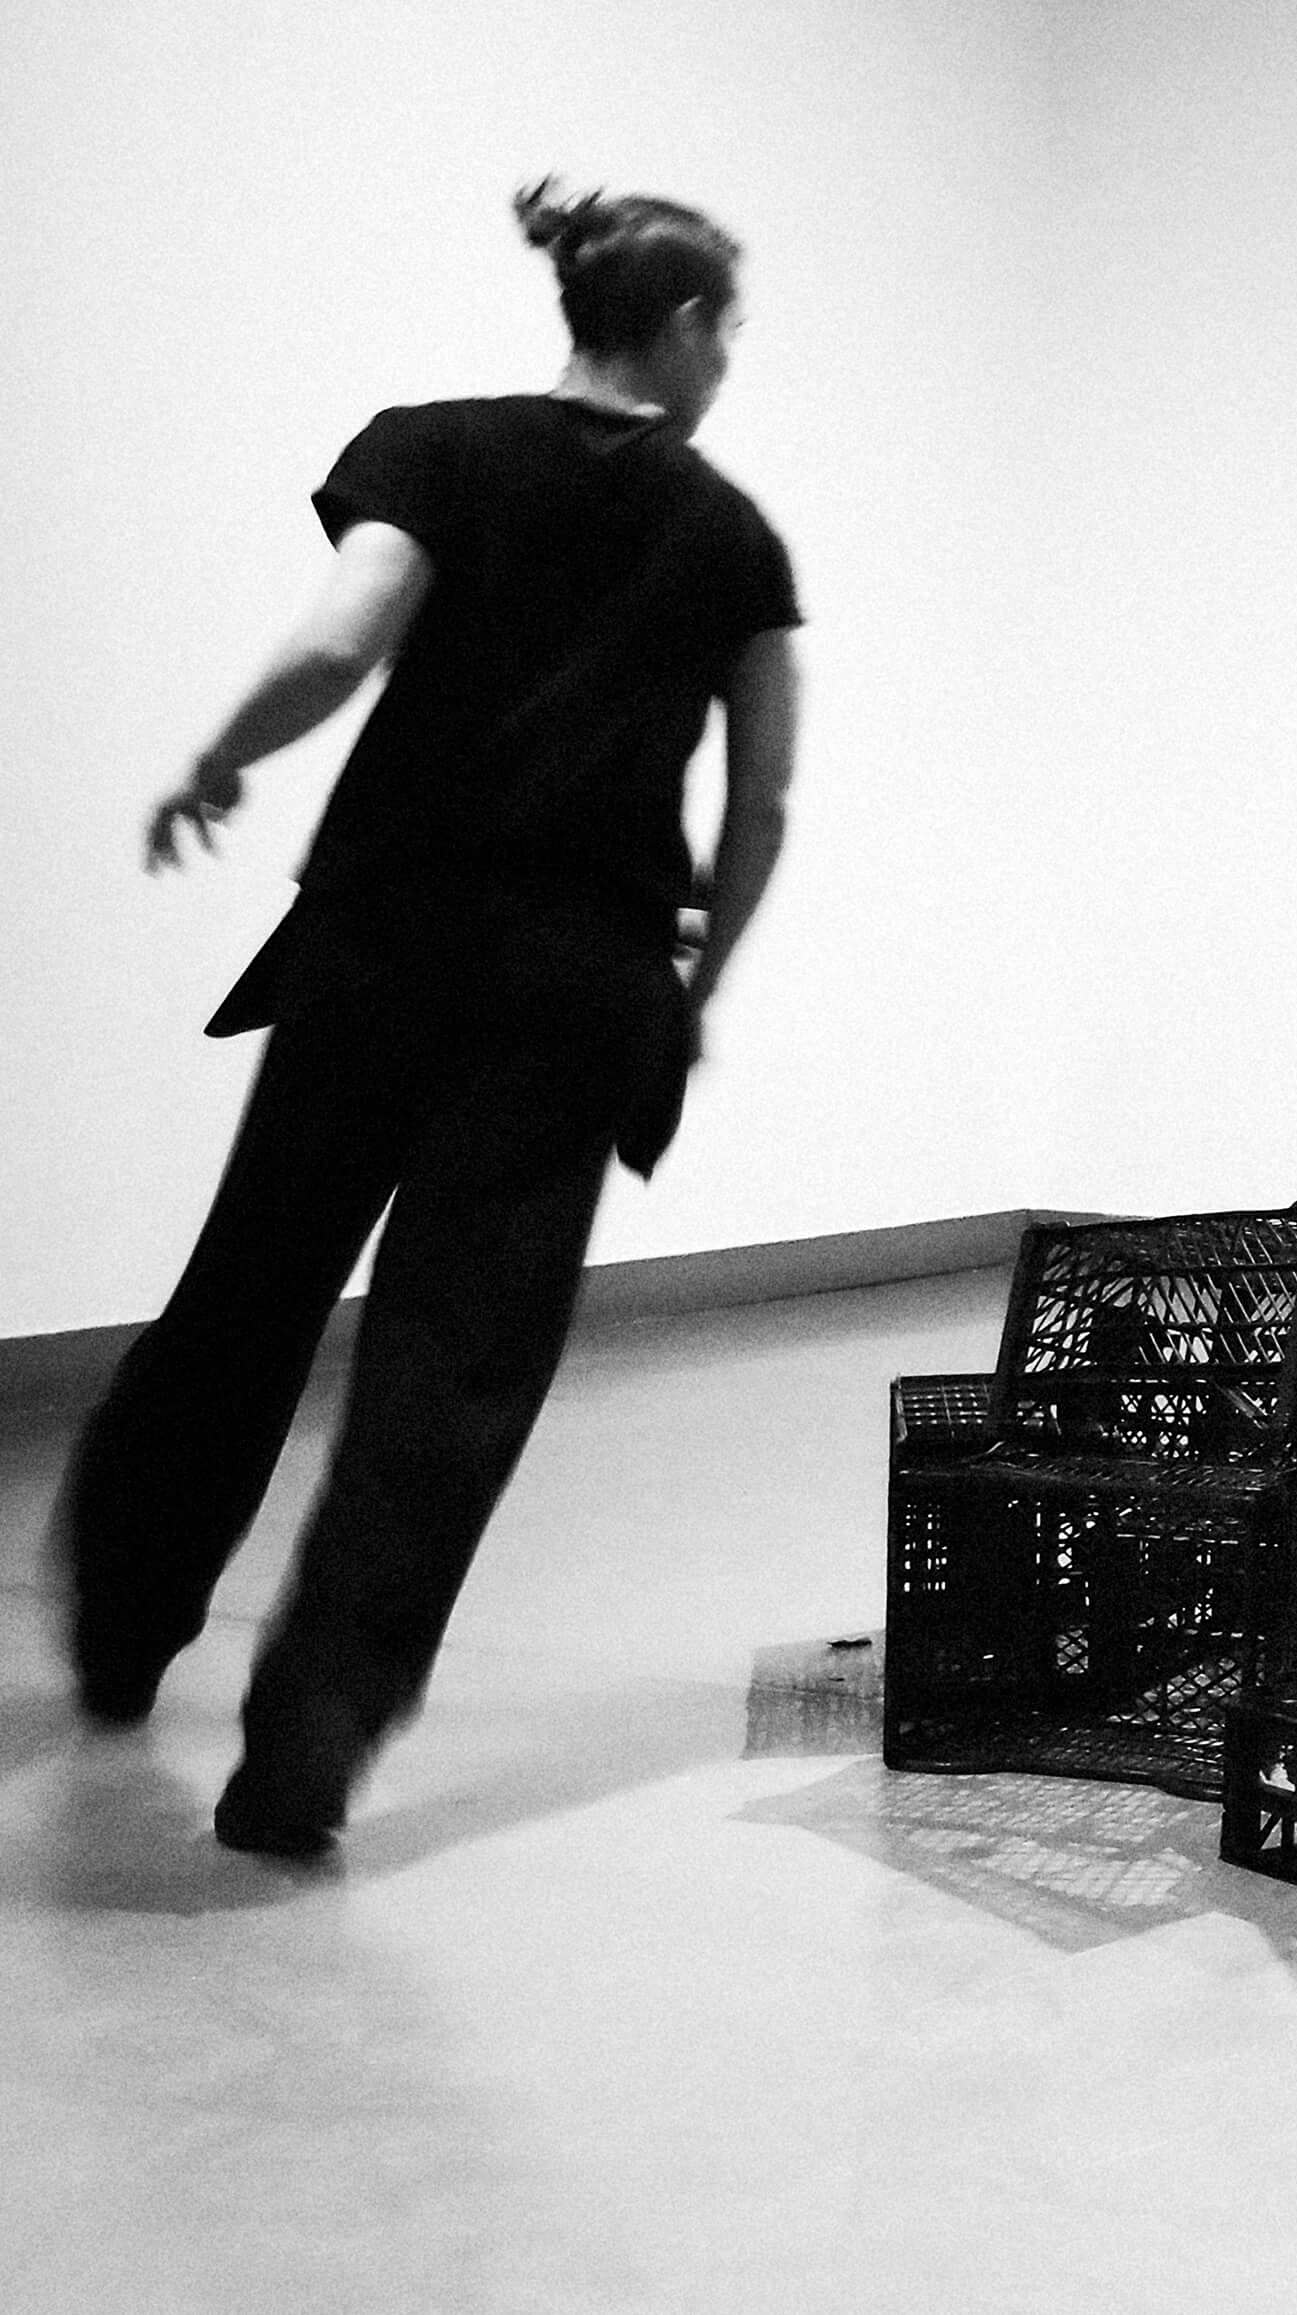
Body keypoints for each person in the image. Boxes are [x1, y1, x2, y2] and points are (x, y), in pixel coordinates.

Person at [57, 180, 802, 1861]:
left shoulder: (436, 450)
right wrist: (697, 986)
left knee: (248, 1292)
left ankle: (123, 1624)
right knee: (450, 1369)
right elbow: (760, 810)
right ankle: (314, 1733)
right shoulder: (734, 537)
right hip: (572, 992)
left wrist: (218, 761)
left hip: (382, 953)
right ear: (679, 327)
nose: (729, 359)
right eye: (728, 327)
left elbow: (339, 643)